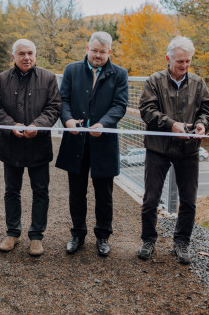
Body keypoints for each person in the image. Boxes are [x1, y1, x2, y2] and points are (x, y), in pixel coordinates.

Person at [137, 36, 209, 264]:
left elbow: (206, 110)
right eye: (180, 61)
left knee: (189, 199)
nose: (184, 66)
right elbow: (146, 110)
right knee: (151, 198)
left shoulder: (198, 83)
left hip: (188, 148)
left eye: (188, 61)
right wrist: (171, 124)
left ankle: (182, 242)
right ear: (168, 59)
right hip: (158, 148)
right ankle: (148, 240)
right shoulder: (154, 81)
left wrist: (202, 123)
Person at [56, 31, 128, 257]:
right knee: (76, 192)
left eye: (102, 52)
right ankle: (77, 234)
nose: (97, 55)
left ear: (110, 52)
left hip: (103, 142)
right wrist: (67, 120)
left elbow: (119, 105)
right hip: (75, 140)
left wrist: (103, 124)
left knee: (104, 194)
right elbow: (63, 100)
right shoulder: (72, 70)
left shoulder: (119, 74)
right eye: (94, 50)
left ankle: (103, 236)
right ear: (88, 49)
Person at [0, 39, 61, 256]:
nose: (26, 57)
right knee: (11, 191)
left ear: (35, 55)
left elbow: (54, 107)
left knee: (40, 191)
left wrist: (37, 126)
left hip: (38, 145)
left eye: (30, 53)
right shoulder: (2, 79)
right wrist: (11, 126)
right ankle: (13, 232)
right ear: (14, 56)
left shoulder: (48, 78)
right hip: (11, 145)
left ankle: (36, 236)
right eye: (21, 53)